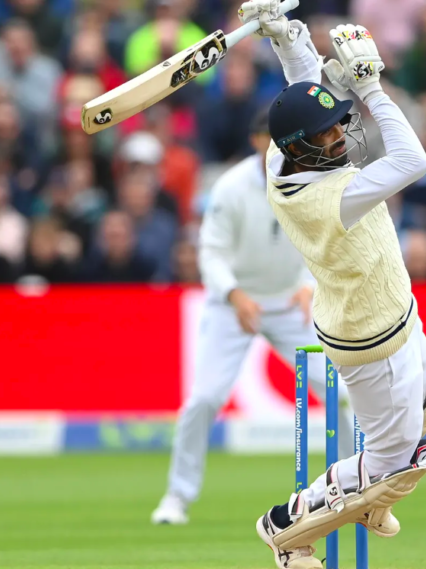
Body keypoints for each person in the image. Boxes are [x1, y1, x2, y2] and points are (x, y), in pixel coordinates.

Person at [236, 5, 426, 568]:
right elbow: (413, 157)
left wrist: (286, 36)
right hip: (370, 339)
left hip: (396, 311)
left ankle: (373, 495)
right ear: (302, 146)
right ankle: (285, 532)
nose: (338, 137)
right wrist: (373, 90)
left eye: (337, 125)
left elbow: (303, 87)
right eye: (326, 133)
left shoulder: (280, 155)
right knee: (399, 462)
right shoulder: (335, 198)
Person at [150, 111, 353, 526]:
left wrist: (305, 283)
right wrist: (234, 295)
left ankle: (355, 484)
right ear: (255, 140)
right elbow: (211, 251)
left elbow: (319, 240)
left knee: (341, 392)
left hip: (289, 305)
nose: (273, 146)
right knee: (202, 400)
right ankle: (177, 497)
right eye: (266, 138)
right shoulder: (230, 187)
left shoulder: (307, 178)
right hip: (233, 308)